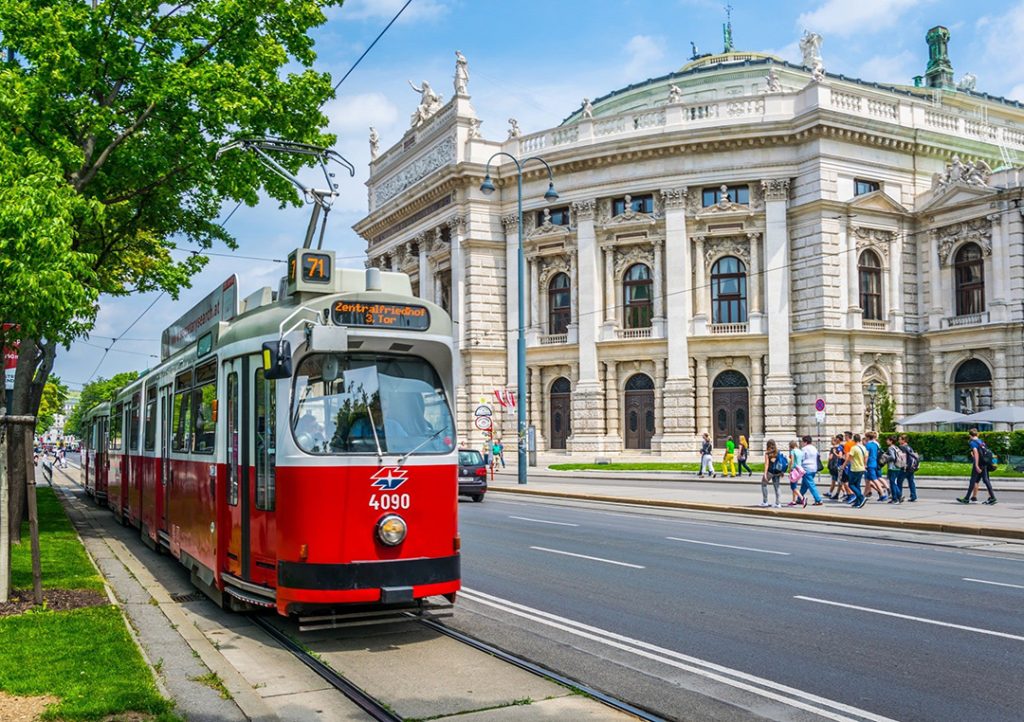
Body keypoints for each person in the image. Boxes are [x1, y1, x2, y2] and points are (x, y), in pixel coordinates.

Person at [958, 428, 997, 505]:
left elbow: (976, 453)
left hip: (979, 463)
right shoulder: (981, 441)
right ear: (977, 434)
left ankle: (966, 499)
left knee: (973, 480)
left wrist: (976, 465)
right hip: (984, 463)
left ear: (970, 435)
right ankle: (992, 497)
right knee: (986, 480)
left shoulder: (973, 442)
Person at [842, 433, 867, 508]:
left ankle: (861, 497)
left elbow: (849, 458)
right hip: (862, 468)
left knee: (851, 484)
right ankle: (858, 501)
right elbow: (866, 457)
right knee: (857, 485)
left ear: (854, 440)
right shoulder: (863, 447)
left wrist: (843, 466)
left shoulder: (854, 448)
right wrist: (865, 465)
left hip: (855, 468)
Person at [799, 435, 824, 506]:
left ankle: (818, 500)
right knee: (804, 485)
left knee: (811, 485)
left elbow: (801, 458)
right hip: (814, 468)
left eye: (803, 442)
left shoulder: (804, 449)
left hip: (807, 468)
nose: (802, 443)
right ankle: (799, 498)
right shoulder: (814, 448)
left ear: (805, 442)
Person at [863, 431, 888, 501]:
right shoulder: (876, 444)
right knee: (867, 480)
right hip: (875, 463)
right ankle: (863, 495)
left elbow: (866, 455)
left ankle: (882, 494)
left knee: (874, 479)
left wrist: (864, 464)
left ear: (868, 437)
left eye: (866, 437)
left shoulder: (868, 445)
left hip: (870, 464)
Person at [760, 439, 783, 508]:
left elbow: (766, 464)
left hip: (770, 472)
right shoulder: (778, 452)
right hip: (777, 472)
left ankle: (765, 501)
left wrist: (765, 474)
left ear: (768, 445)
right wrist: (782, 472)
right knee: (777, 487)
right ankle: (778, 503)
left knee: (763, 484)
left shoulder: (768, 453)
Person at [883, 435, 906, 503]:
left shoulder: (890, 448)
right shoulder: (896, 447)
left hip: (892, 467)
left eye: (887, 440)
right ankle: (896, 497)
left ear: (891, 441)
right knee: (893, 482)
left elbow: (892, 457)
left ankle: (897, 497)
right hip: (898, 466)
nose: (886, 441)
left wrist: (886, 456)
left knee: (892, 483)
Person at [898, 434, 919, 502]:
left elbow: (901, 457)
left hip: (905, 467)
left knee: (899, 481)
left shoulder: (902, 447)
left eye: (900, 439)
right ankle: (913, 496)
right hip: (911, 467)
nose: (899, 440)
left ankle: (899, 495)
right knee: (911, 482)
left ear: (903, 440)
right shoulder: (909, 447)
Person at [786, 440, 805, 506]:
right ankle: (794, 501)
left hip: (794, 470)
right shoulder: (800, 451)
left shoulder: (793, 451)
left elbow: (792, 461)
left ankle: (802, 498)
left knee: (793, 487)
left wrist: (789, 468)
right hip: (799, 470)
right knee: (795, 485)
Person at [826, 434, 845, 500]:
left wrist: (834, 453)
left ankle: (845, 493)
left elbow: (839, 456)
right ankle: (835, 493)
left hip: (837, 466)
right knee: (838, 480)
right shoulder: (842, 446)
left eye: (835, 439)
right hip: (839, 465)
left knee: (838, 480)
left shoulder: (838, 447)